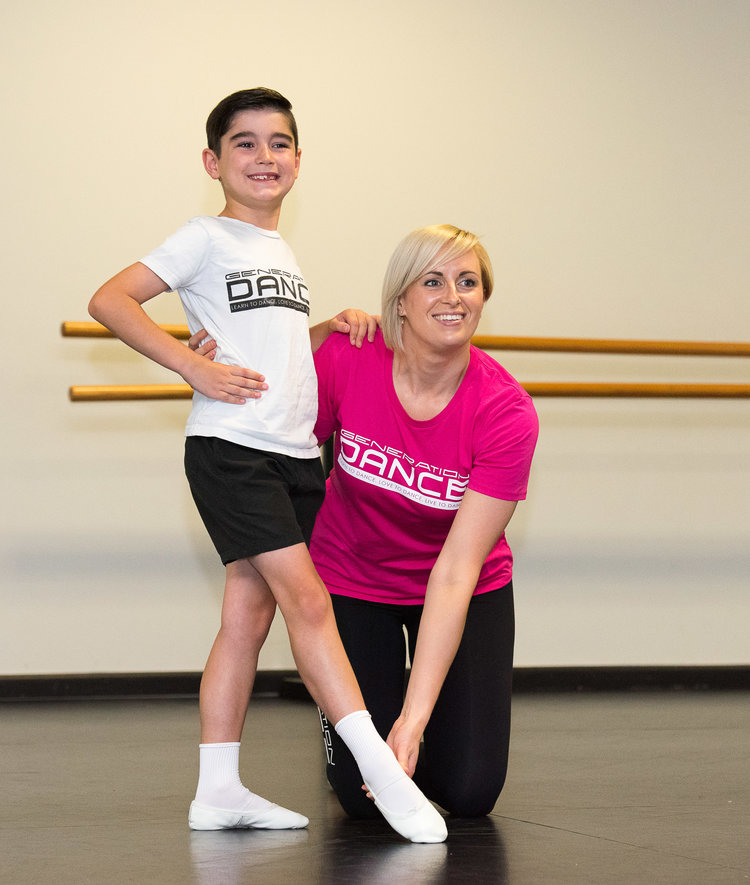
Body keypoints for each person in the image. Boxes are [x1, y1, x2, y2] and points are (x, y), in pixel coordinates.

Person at [88, 88, 447, 843]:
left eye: (278, 143)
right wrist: (191, 364)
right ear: (214, 162)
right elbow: (111, 299)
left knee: (244, 620)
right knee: (309, 605)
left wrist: (327, 324)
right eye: (245, 144)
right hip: (232, 448)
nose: (264, 157)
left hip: (292, 453)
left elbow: (269, 339)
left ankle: (217, 789)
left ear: (298, 160)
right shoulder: (204, 236)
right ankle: (384, 771)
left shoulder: (279, 251)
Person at [310, 224, 539, 819]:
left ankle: (422, 727)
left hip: (464, 587)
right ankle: (387, 731)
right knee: (362, 799)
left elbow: (456, 571)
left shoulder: (505, 411)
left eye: (468, 282)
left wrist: (410, 724)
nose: (453, 296)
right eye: (432, 281)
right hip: (353, 579)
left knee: (467, 793)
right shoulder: (348, 358)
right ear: (400, 301)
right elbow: (277, 449)